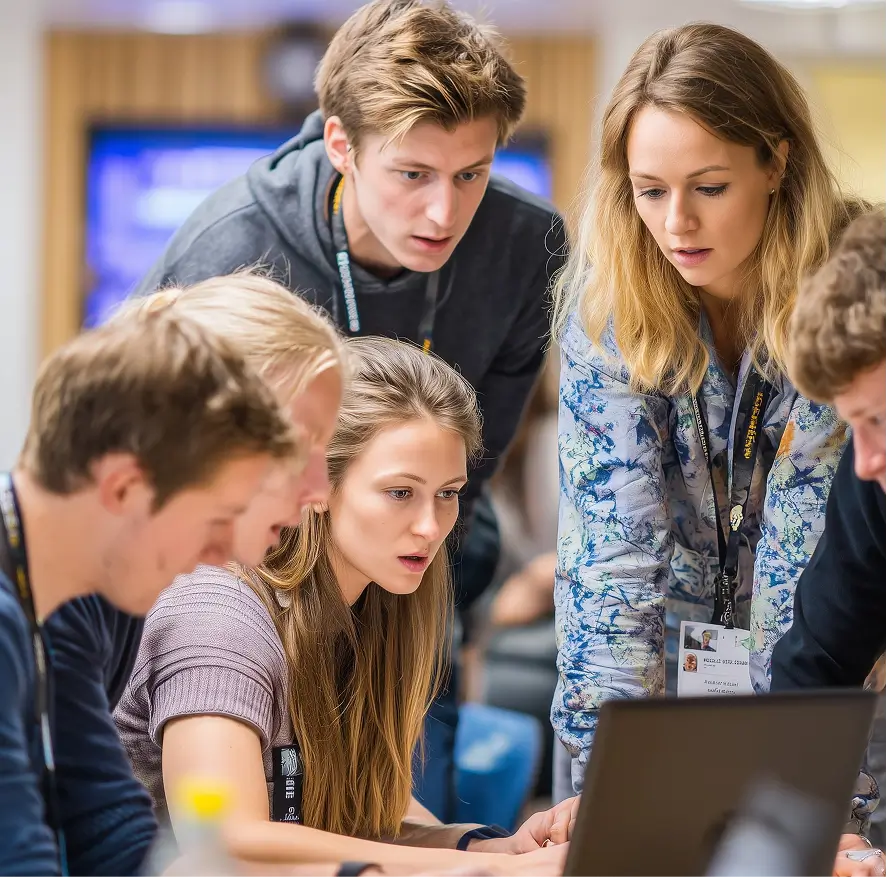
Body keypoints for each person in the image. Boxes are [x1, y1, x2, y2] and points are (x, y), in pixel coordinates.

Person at [133, 0, 566, 820]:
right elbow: (163, 488)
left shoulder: (524, 251)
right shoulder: (229, 251)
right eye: (412, 174)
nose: (444, 213)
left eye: (470, 174)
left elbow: (464, 484)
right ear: (341, 144)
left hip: (404, 593)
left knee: (406, 809)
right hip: (244, 592)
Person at [550, 19, 868, 831]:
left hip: (833, 689)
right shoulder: (608, 310)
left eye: (708, 186)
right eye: (649, 189)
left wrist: (785, 801)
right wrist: (606, 787)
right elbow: (609, 566)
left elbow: (812, 578)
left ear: (775, 160)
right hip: (654, 692)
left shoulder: (851, 289)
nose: (675, 223)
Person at [114, 337, 572, 876]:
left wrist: (486, 848)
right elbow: (227, 841)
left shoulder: (379, 605)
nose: (430, 527)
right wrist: (485, 872)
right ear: (318, 483)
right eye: (401, 492)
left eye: (447, 493)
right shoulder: (219, 612)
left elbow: (363, 824)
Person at [44, 272, 348, 877]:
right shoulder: (203, 603)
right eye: (299, 450)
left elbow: (121, 851)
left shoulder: (106, 605)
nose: (318, 491)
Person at [0, 304, 298, 876]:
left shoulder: (40, 601)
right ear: (125, 488)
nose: (217, 553)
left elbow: (113, 844)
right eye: (215, 518)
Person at [769, 208, 886, 877]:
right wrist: (830, 833)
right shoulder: (873, 481)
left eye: (876, 421)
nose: (864, 460)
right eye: (852, 428)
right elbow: (812, 669)